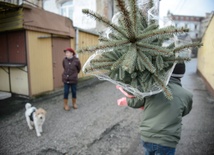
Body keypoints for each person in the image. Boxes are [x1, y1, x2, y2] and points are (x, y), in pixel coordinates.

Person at [125, 63, 193, 155]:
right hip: (167, 140)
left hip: (147, 136)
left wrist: (127, 97)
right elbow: (184, 111)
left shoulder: (152, 88)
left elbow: (135, 103)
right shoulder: (187, 95)